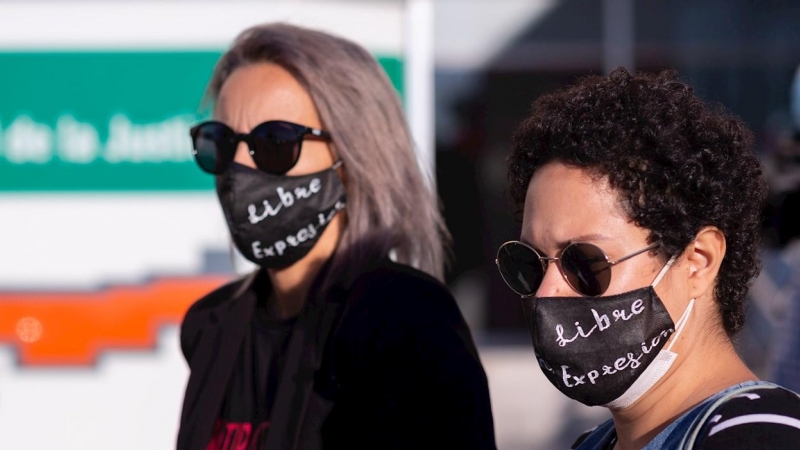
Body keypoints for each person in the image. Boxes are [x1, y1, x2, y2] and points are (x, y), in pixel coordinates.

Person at [177, 23, 496, 450]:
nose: (238, 167)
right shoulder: (211, 327)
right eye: (221, 141)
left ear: (351, 156)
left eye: (273, 142)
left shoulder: (405, 323)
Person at [495, 68, 800, 449]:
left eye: (584, 262)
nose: (546, 292)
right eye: (531, 263)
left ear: (698, 261)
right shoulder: (593, 443)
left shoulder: (761, 435)